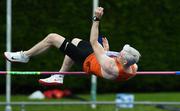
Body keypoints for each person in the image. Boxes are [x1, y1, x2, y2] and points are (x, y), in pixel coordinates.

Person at [4, 7, 141, 86]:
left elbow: (93, 41)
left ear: (123, 61)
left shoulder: (110, 65)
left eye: (121, 54)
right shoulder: (133, 66)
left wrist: (96, 19)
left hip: (87, 61)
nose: (119, 53)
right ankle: (59, 76)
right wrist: (106, 51)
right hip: (97, 60)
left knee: (53, 37)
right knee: (75, 41)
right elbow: (116, 61)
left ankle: (24, 56)